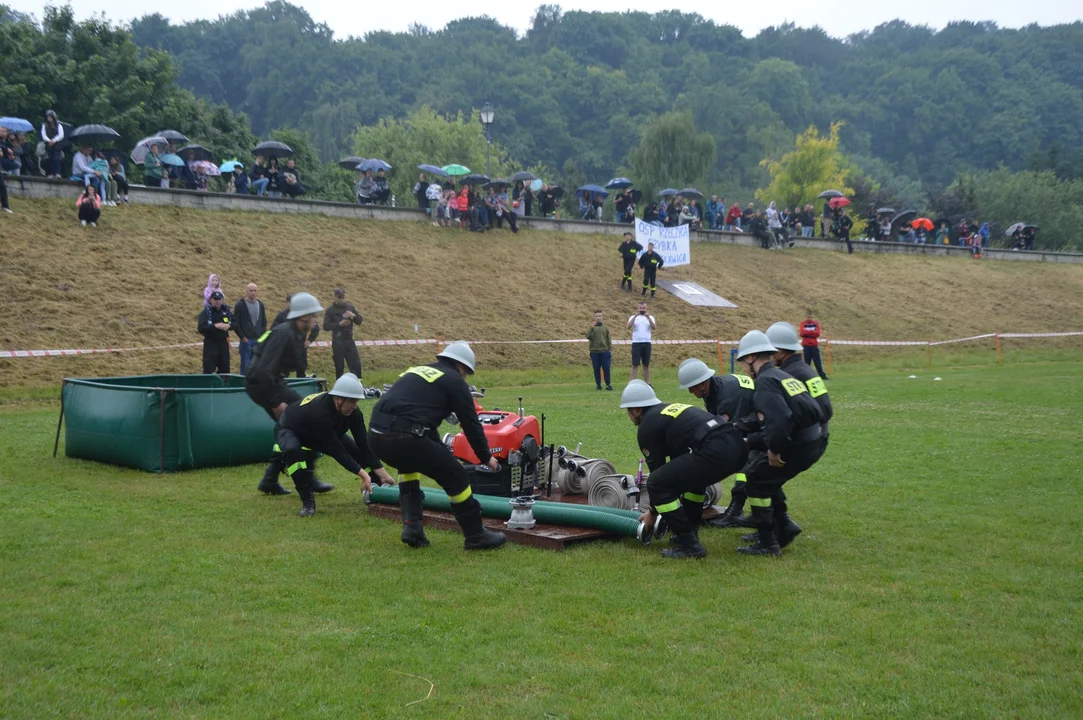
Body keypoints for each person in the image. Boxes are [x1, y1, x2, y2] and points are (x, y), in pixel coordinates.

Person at [368, 342, 507, 551]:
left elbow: (418, 416)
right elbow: (470, 423)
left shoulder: (418, 370)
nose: (465, 378)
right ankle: (476, 536)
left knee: (408, 467)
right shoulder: (454, 381)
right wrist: (485, 456)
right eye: (466, 373)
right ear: (461, 367)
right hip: (407, 438)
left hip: (377, 436)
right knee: (457, 475)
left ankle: (412, 527)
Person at [620, 380, 748, 559]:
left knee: (657, 483)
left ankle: (689, 545)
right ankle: (690, 532)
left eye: (628, 410)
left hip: (716, 450)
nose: (629, 415)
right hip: (737, 447)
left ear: (636, 409)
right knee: (692, 479)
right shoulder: (667, 412)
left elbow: (658, 474)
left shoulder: (647, 426)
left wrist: (652, 513)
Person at [733, 330, 825, 555]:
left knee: (756, 480)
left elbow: (780, 419)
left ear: (750, 358)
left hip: (800, 443)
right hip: (814, 439)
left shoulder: (765, 382)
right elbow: (765, 415)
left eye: (743, 362)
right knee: (764, 475)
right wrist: (736, 427)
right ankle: (783, 527)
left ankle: (768, 543)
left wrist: (774, 449)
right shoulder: (781, 376)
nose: (744, 368)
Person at [245, 292, 333, 496]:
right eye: (313, 315)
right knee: (302, 420)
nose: (315, 319)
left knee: (296, 423)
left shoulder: (295, 332)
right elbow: (263, 370)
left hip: (271, 381)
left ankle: (270, 479)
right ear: (304, 316)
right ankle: (305, 478)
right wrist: (276, 402)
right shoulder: (284, 333)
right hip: (262, 383)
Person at [275, 374, 397, 517]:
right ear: (338, 399)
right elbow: (336, 450)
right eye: (352, 402)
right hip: (289, 429)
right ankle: (308, 503)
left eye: (357, 401)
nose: (355, 406)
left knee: (357, 452)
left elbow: (364, 444)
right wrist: (363, 475)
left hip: (321, 433)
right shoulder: (320, 414)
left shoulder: (354, 413)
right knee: (293, 451)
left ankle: (377, 488)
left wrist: (383, 474)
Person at [676, 358, 758, 529]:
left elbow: (729, 433)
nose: (690, 392)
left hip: (763, 420)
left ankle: (736, 509)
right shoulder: (714, 390)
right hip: (751, 415)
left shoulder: (726, 398)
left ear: (703, 383)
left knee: (744, 457)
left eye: (692, 387)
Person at [767, 322, 833, 451]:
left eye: (770, 350)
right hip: (821, 433)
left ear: (780, 352)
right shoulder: (804, 368)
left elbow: (783, 415)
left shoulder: (789, 374)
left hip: (808, 437)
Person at [271, 294, 321, 378]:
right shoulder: (282, 315)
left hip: (300, 349)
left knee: (301, 372)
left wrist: (309, 340)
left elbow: (316, 328)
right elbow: (273, 330)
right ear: (287, 303)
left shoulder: (303, 315)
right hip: (284, 350)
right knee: (282, 375)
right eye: (290, 302)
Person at [323, 287, 364, 380]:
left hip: (349, 339)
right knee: (339, 366)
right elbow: (325, 326)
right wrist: (339, 324)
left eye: (342, 297)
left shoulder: (349, 307)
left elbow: (359, 321)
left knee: (356, 364)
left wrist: (353, 316)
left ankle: (358, 386)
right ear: (335, 297)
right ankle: (339, 388)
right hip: (338, 340)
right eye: (339, 297)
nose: (341, 299)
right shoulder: (330, 310)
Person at [233, 283, 267, 376]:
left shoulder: (260, 305)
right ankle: (243, 384)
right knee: (245, 365)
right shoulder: (240, 305)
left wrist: (262, 338)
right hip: (246, 340)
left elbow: (263, 322)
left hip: (258, 340)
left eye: (254, 290)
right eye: (250, 290)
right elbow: (236, 323)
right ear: (246, 291)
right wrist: (242, 337)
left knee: (257, 365)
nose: (253, 293)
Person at [198, 290, 234, 374]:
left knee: (225, 367)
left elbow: (235, 323)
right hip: (211, 343)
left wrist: (229, 326)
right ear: (211, 300)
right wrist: (215, 326)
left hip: (223, 343)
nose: (217, 301)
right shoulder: (206, 312)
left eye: (219, 299)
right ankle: (208, 386)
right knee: (208, 368)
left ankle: (224, 385)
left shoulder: (226, 312)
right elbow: (201, 328)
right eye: (215, 299)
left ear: (222, 300)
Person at [627, 300, 656, 384]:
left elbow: (654, 327)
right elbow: (628, 326)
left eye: (643, 308)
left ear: (646, 308)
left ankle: (648, 383)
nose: (642, 309)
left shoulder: (650, 317)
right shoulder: (634, 317)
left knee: (646, 364)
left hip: (647, 343)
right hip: (636, 343)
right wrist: (635, 316)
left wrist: (648, 318)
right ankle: (631, 383)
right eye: (640, 308)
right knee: (635, 364)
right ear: (637, 308)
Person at [587, 309, 613, 391]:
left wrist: (609, 350)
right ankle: (598, 385)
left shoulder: (605, 328)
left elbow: (609, 339)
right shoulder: (592, 328)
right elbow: (588, 336)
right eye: (596, 316)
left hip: (605, 351)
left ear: (602, 317)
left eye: (600, 316)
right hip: (594, 352)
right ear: (594, 318)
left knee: (606, 368)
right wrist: (591, 328)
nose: (598, 318)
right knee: (596, 369)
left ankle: (608, 384)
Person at [799, 310, 828, 379]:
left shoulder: (816, 323)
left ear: (812, 317)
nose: (809, 318)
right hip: (806, 345)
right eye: (808, 317)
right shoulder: (803, 324)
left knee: (817, 361)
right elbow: (802, 333)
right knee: (807, 362)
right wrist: (812, 332)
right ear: (806, 317)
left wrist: (808, 333)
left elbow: (817, 333)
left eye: (810, 317)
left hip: (814, 345)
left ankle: (822, 375)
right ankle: (806, 376)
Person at [41, 110, 64, 179]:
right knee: (50, 159)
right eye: (48, 117)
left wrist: (54, 140)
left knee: (56, 158)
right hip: (49, 145)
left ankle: (57, 173)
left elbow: (61, 135)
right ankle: (51, 173)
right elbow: (43, 135)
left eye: (50, 117)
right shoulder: (44, 125)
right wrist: (49, 141)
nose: (49, 118)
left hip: (57, 145)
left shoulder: (59, 125)